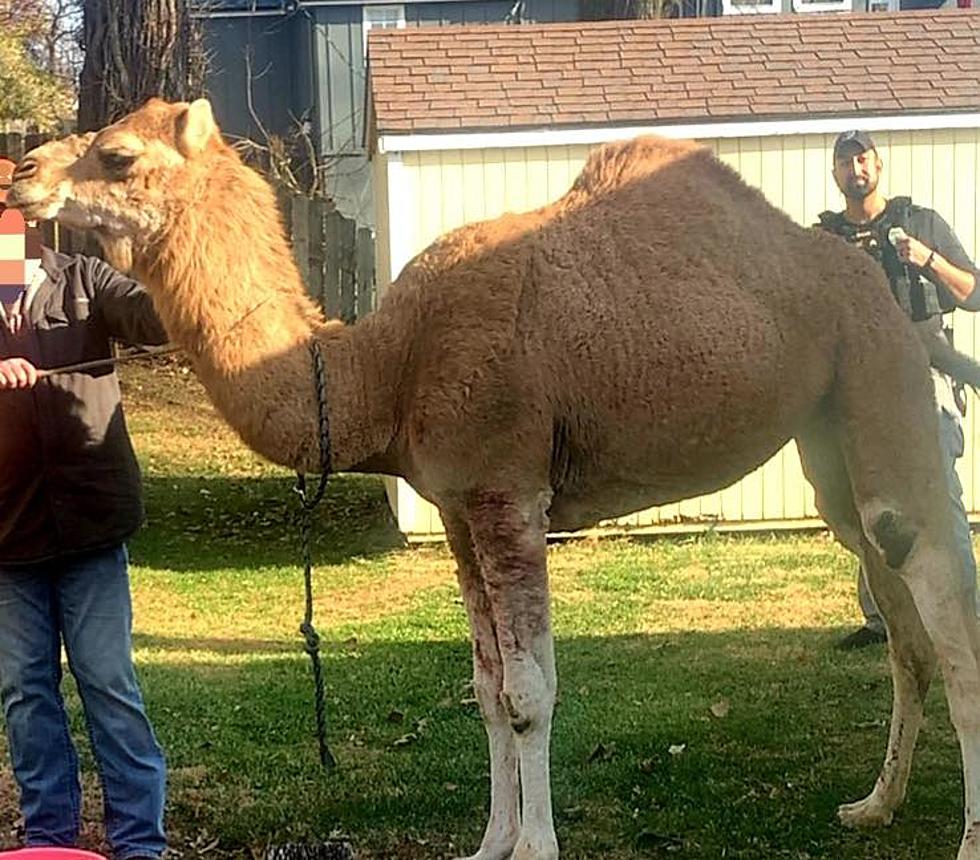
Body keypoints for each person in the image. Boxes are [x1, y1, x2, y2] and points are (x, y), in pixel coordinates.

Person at [0, 156, 169, 858]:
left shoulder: (88, 282)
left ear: (29, 218)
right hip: (7, 538)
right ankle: (49, 840)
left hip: (92, 528)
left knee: (108, 683)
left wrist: (166, 247)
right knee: (24, 693)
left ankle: (139, 844)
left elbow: (160, 320)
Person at [818, 130, 980, 650]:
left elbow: (973, 293)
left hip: (926, 368)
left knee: (938, 489)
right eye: (845, 161)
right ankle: (882, 619)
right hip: (855, 384)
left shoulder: (919, 221)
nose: (854, 168)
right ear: (835, 173)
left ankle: (968, 610)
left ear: (878, 165)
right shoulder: (823, 241)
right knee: (862, 498)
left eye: (861, 157)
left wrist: (926, 259)